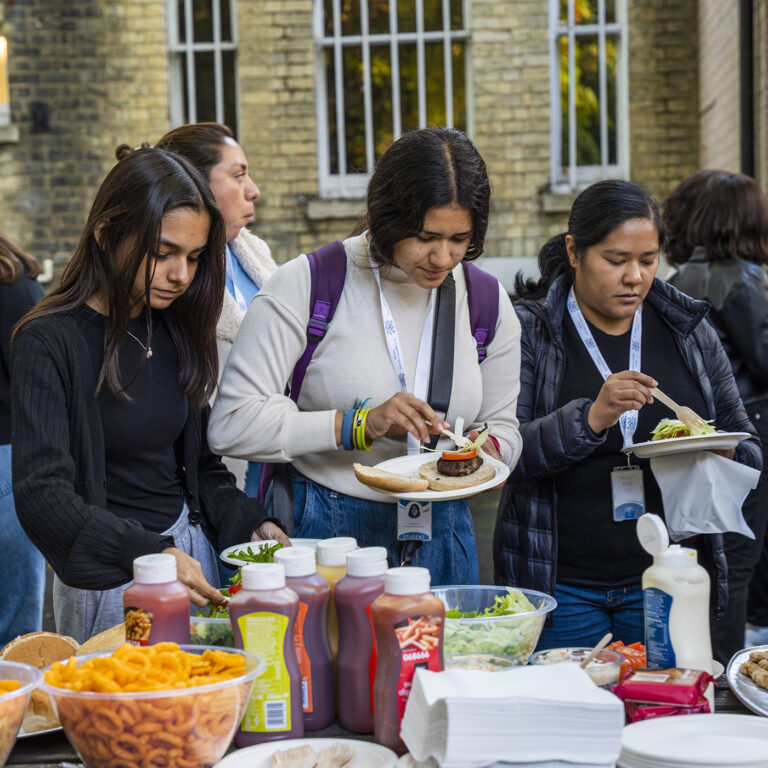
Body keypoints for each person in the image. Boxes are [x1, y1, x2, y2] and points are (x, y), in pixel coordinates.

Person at [208, 127, 523, 585]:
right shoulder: (307, 284)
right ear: (387, 215)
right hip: (333, 535)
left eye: (460, 239)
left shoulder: (486, 301)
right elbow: (231, 424)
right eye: (425, 236)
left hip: (449, 532)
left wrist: (478, 455)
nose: (442, 257)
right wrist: (357, 424)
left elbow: (504, 428)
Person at [10, 146, 286, 644]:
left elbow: (202, 470)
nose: (181, 274)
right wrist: (149, 553)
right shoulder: (49, 339)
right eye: (163, 254)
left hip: (191, 558)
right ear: (105, 233)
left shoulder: (176, 327)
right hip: (110, 578)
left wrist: (251, 523)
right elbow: (42, 494)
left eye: (195, 257)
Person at [494, 179, 761, 651]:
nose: (635, 276)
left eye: (648, 260)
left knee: (664, 713)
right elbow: (501, 458)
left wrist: (723, 446)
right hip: (563, 584)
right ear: (574, 251)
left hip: (667, 576)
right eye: (616, 261)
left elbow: (750, 450)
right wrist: (592, 418)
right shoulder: (530, 331)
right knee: (576, 717)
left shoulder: (689, 329)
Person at [666, 171, 768, 660]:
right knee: (738, 566)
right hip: (747, 437)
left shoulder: (677, 281)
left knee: (713, 563)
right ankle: (731, 683)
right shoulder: (743, 278)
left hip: (697, 440)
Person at [154, 123, 278, 495]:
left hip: (279, 457)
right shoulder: (171, 278)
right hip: (214, 468)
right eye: (238, 175)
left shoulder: (255, 253)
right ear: (194, 183)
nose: (253, 191)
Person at [0, 233, 45, 646]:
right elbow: (37, 388)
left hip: (10, 456)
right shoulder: (18, 286)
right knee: (14, 632)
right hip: (9, 456)